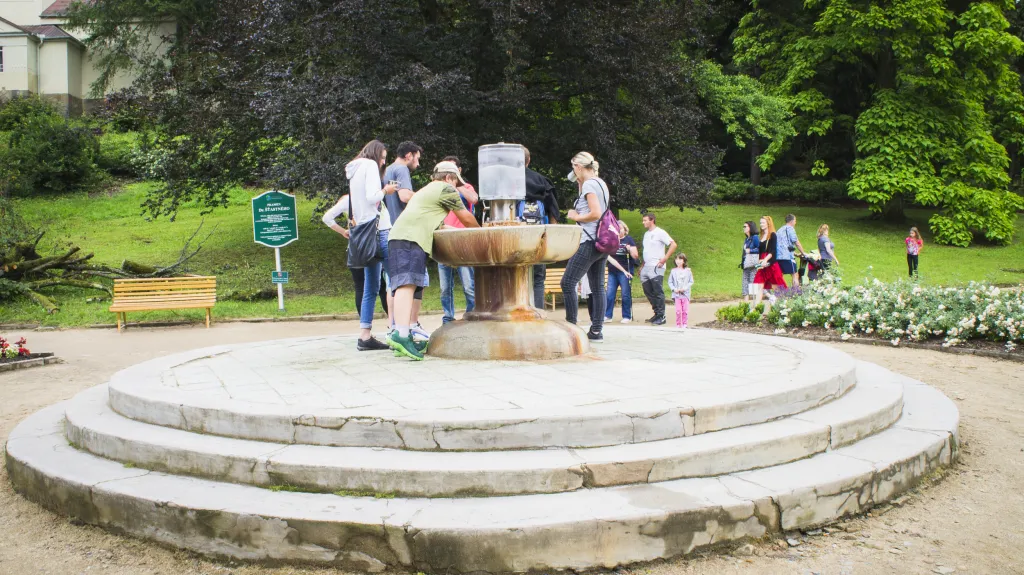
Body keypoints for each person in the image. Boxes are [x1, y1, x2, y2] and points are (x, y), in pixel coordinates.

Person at [387, 161, 479, 360]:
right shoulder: (445, 189)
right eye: (456, 182)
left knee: (407, 285)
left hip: (401, 237)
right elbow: (467, 219)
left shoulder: (426, 191)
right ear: (448, 178)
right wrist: (481, 235)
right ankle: (401, 335)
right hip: (410, 238)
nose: (457, 188)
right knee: (407, 284)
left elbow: (440, 227)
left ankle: (402, 335)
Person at [345, 140, 399, 351]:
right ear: (375, 154)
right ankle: (398, 330)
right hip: (379, 232)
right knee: (396, 281)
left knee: (370, 288)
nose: (383, 162)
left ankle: (365, 336)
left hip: (364, 235)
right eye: (383, 157)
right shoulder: (369, 166)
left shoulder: (354, 170)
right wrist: (386, 190)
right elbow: (371, 197)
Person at [559, 151, 611, 342]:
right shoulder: (599, 183)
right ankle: (596, 331)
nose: (573, 171)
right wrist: (579, 184)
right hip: (601, 241)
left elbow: (595, 213)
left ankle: (571, 328)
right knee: (598, 287)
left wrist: (575, 217)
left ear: (579, 167)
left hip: (589, 240)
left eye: (574, 167)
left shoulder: (590, 184)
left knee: (567, 282)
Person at [383, 141, 430, 339]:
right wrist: (426, 197)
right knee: (419, 279)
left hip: (391, 231)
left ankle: (393, 326)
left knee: (394, 283)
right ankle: (412, 325)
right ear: (409, 155)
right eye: (417, 158)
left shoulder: (386, 171)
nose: (418, 164)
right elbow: (404, 196)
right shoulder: (402, 169)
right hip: (408, 233)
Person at [322, 194, 389, 318]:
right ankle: (393, 323)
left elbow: (327, 218)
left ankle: (364, 327)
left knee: (360, 287)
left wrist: (343, 232)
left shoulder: (348, 199)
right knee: (382, 287)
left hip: (357, 246)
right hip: (376, 243)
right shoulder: (374, 197)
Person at [437, 155, 477, 323]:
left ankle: (472, 314)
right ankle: (448, 317)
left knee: (469, 285)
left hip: (463, 240)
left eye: (452, 171)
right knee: (445, 287)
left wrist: (458, 185)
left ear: (459, 171)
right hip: (443, 239)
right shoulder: (438, 189)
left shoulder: (466, 186)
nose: (449, 176)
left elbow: (474, 199)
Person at [521, 146, 561, 308]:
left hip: (515, 238)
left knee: (516, 276)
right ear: (529, 161)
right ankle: (538, 313)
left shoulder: (505, 182)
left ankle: (519, 312)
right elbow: (554, 211)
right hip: (539, 236)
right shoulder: (541, 180)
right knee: (538, 278)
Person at [640, 213, 677, 326]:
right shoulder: (646, 234)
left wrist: (665, 258)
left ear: (652, 220)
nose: (643, 222)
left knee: (657, 291)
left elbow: (673, 244)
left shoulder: (660, 232)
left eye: (645, 220)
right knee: (648, 291)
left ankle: (662, 316)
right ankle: (656, 313)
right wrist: (642, 266)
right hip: (646, 266)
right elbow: (647, 250)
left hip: (657, 266)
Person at [750, 215, 787, 316]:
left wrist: (765, 260)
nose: (761, 224)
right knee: (758, 286)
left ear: (768, 223)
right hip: (762, 265)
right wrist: (759, 262)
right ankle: (755, 309)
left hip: (771, 264)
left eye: (763, 222)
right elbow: (760, 251)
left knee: (777, 289)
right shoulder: (761, 236)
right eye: (760, 222)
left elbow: (772, 251)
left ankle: (782, 308)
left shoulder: (773, 235)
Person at [605, 220, 638, 323]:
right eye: (617, 228)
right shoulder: (612, 240)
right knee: (609, 294)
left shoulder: (629, 240)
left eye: (621, 228)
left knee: (625, 294)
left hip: (626, 271)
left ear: (625, 229)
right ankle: (608, 315)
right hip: (612, 271)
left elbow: (635, 256)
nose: (619, 230)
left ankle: (627, 316)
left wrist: (629, 249)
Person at [775, 214, 806, 287]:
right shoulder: (790, 229)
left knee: (780, 275)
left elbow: (782, 245)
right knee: (795, 274)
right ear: (792, 221)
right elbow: (796, 242)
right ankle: (795, 293)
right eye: (795, 221)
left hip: (778, 257)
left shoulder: (779, 230)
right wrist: (803, 253)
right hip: (788, 257)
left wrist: (795, 253)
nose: (795, 223)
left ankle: (780, 293)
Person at [668, 253, 694, 329]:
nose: (678, 261)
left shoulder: (688, 271)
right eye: (676, 259)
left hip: (685, 294)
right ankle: (678, 324)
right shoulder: (673, 271)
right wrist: (674, 289)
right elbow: (670, 282)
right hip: (677, 295)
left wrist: (685, 288)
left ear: (684, 260)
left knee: (685, 310)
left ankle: (685, 324)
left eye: (680, 259)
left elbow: (691, 281)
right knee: (678, 310)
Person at [740, 220, 760, 302]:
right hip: (746, 264)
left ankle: (755, 305)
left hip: (752, 264)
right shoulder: (747, 239)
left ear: (750, 228)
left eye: (745, 227)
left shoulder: (755, 237)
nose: (743, 228)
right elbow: (744, 252)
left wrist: (750, 251)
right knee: (745, 284)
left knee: (753, 283)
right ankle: (746, 305)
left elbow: (759, 249)